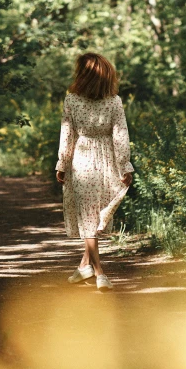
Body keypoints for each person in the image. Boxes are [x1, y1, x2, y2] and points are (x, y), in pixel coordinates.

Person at [55, 52, 133, 291]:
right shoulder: (114, 101)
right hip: (106, 160)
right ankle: (92, 269)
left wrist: (62, 163)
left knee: (89, 217)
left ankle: (94, 270)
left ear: (84, 75)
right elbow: (120, 137)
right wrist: (125, 166)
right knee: (93, 216)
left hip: (82, 160)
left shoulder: (72, 100)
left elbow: (67, 135)